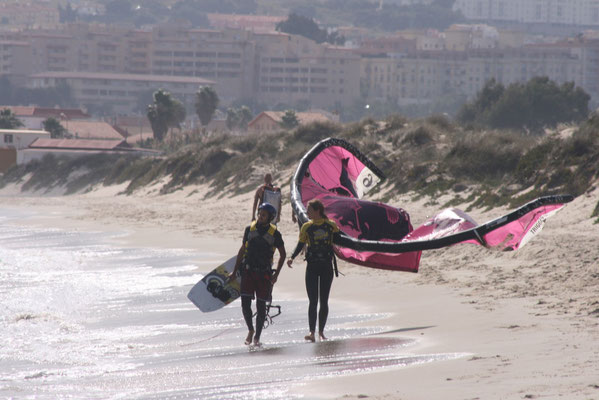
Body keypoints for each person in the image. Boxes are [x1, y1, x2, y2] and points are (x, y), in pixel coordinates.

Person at [229, 202, 286, 346]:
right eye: (260, 214)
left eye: (264, 215)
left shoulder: (275, 234)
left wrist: (276, 275)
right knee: (245, 305)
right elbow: (242, 251)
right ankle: (250, 330)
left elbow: (283, 254)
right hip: (248, 271)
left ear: (270, 217)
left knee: (261, 308)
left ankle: (257, 338)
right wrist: (235, 271)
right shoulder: (249, 229)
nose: (260, 217)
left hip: (264, 274)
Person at [287, 199, 339, 342]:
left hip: (326, 267)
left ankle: (321, 332)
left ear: (317, 211)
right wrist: (292, 257)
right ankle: (312, 332)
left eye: (309, 210)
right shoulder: (306, 227)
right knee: (313, 301)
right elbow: (300, 244)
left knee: (324, 300)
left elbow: (341, 239)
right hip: (312, 268)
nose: (307, 212)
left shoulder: (331, 226)